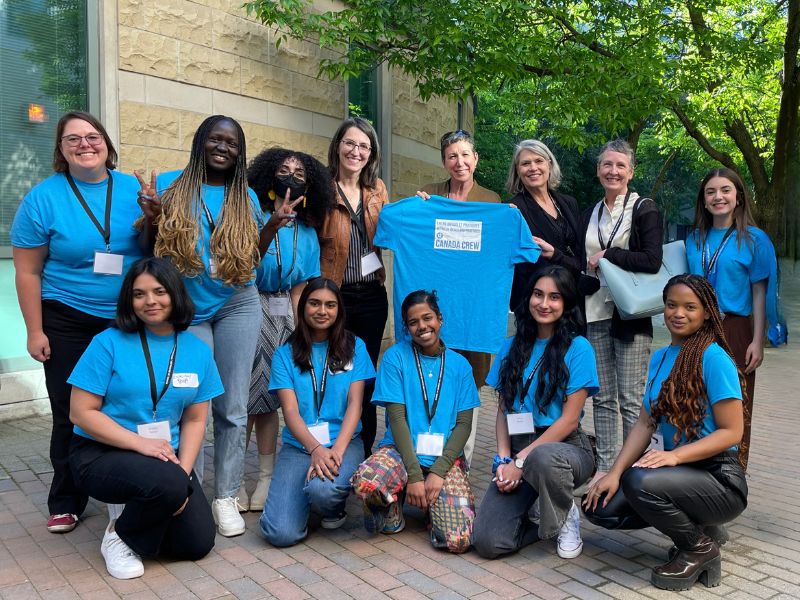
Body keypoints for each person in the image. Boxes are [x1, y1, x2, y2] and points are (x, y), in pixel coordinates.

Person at [135, 115, 296, 537]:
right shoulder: (171, 185)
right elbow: (151, 249)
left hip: (237, 304)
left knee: (233, 405)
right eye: (215, 139)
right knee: (189, 401)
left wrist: (273, 226)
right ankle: (185, 488)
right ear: (200, 143)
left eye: (232, 143)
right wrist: (153, 215)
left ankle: (225, 495)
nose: (223, 147)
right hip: (188, 308)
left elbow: (250, 260)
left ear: (240, 152)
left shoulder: (244, 195)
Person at [11, 111, 143, 533]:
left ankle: (129, 485)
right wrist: (35, 330)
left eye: (92, 136)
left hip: (127, 317)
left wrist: (156, 213)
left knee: (128, 404)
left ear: (106, 143)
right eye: (73, 139)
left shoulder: (134, 189)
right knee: (70, 411)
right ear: (61, 148)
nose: (85, 144)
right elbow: (28, 271)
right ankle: (67, 498)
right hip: (67, 317)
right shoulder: (42, 198)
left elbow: (157, 245)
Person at [583, 274, 747, 591]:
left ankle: (699, 548)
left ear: (707, 313)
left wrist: (673, 456)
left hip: (719, 478)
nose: (678, 313)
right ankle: (701, 528)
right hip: (679, 474)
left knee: (639, 480)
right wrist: (613, 472)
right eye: (672, 305)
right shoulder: (659, 358)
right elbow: (645, 424)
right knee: (600, 508)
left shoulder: (714, 358)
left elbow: (732, 432)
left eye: (690, 307)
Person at [68, 257, 221, 580]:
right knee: (166, 486)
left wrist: (181, 477)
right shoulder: (107, 343)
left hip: (164, 459)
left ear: (175, 295)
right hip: (102, 451)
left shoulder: (197, 350)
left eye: (159, 291)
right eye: (139, 294)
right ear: (129, 299)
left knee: (196, 543)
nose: (150, 301)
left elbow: (195, 420)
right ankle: (118, 537)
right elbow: (80, 412)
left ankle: (144, 509)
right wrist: (141, 444)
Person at [472, 266, 598, 560]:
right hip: (519, 446)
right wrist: (504, 459)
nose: (544, 304)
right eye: (538, 294)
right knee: (489, 542)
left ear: (566, 303)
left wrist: (521, 460)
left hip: (564, 449)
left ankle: (565, 515)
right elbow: (503, 409)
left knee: (542, 458)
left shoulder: (579, 348)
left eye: (554, 297)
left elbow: (569, 420)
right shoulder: (511, 346)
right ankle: (538, 524)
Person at [238, 148, 334, 513]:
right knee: (244, 399)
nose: (291, 176)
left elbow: (300, 288)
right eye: (284, 169)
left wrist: (299, 332)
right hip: (249, 306)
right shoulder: (253, 215)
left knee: (270, 400)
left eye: (300, 173)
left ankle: (265, 477)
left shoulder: (308, 230)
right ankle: (232, 480)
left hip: (286, 316)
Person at [351, 290, 480, 553]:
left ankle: (435, 510)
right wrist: (414, 475)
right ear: (406, 327)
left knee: (457, 541)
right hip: (401, 451)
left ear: (440, 319)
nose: (422, 326)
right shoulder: (395, 358)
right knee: (366, 480)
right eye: (413, 322)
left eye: (427, 318)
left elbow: (464, 425)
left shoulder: (461, 366)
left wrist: (438, 471)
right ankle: (392, 509)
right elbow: (397, 420)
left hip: (443, 456)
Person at [259, 278, 375, 546]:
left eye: (330, 305)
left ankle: (330, 505)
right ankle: (297, 499)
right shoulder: (284, 354)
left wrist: (336, 450)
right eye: (314, 303)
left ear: (339, 310)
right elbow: (289, 411)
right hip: (301, 446)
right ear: (303, 308)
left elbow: (355, 405)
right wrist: (315, 449)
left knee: (324, 491)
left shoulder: (355, 347)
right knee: (280, 534)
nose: (322, 311)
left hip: (343, 443)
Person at [686, 168, 778, 471]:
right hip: (696, 330)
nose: (718, 197)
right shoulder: (693, 239)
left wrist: (757, 340)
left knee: (736, 404)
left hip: (735, 330)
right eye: (711, 192)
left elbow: (759, 294)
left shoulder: (755, 240)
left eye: (725, 190)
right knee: (694, 400)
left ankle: (732, 478)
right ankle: (695, 475)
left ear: (738, 196)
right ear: (704, 199)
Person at [582, 139, 663, 481]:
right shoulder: (591, 212)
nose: (612, 171)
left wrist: (608, 255)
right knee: (601, 397)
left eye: (620, 165)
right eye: (606, 165)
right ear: (599, 170)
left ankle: (633, 471)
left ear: (631, 171)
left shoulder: (644, 208)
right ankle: (604, 469)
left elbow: (652, 259)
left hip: (630, 316)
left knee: (631, 399)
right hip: (594, 312)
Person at [418, 129, 500, 461]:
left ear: (475, 159)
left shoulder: (492, 201)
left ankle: (461, 459)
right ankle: (429, 451)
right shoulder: (430, 196)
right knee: (434, 376)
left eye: (465, 154)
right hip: (437, 305)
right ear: (444, 161)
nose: (459, 162)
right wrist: (418, 209)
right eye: (452, 156)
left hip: (474, 310)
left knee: (470, 381)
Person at [320, 117, 389, 457]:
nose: (356, 151)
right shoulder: (322, 187)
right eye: (350, 143)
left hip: (373, 297)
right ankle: (332, 446)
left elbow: (392, 230)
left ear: (371, 153)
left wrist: (418, 206)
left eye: (364, 146)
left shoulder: (377, 189)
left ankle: (363, 451)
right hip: (336, 297)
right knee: (336, 372)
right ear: (337, 146)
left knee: (367, 374)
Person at [506, 140, 582, 309]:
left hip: (572, 298)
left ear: (549, 164)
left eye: (539, 161)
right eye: (525, 163)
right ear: (518, 170)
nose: (533, 168)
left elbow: (580, 253)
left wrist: (557, 255)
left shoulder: (569, 203)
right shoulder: (513, 210)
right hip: (537, 304)